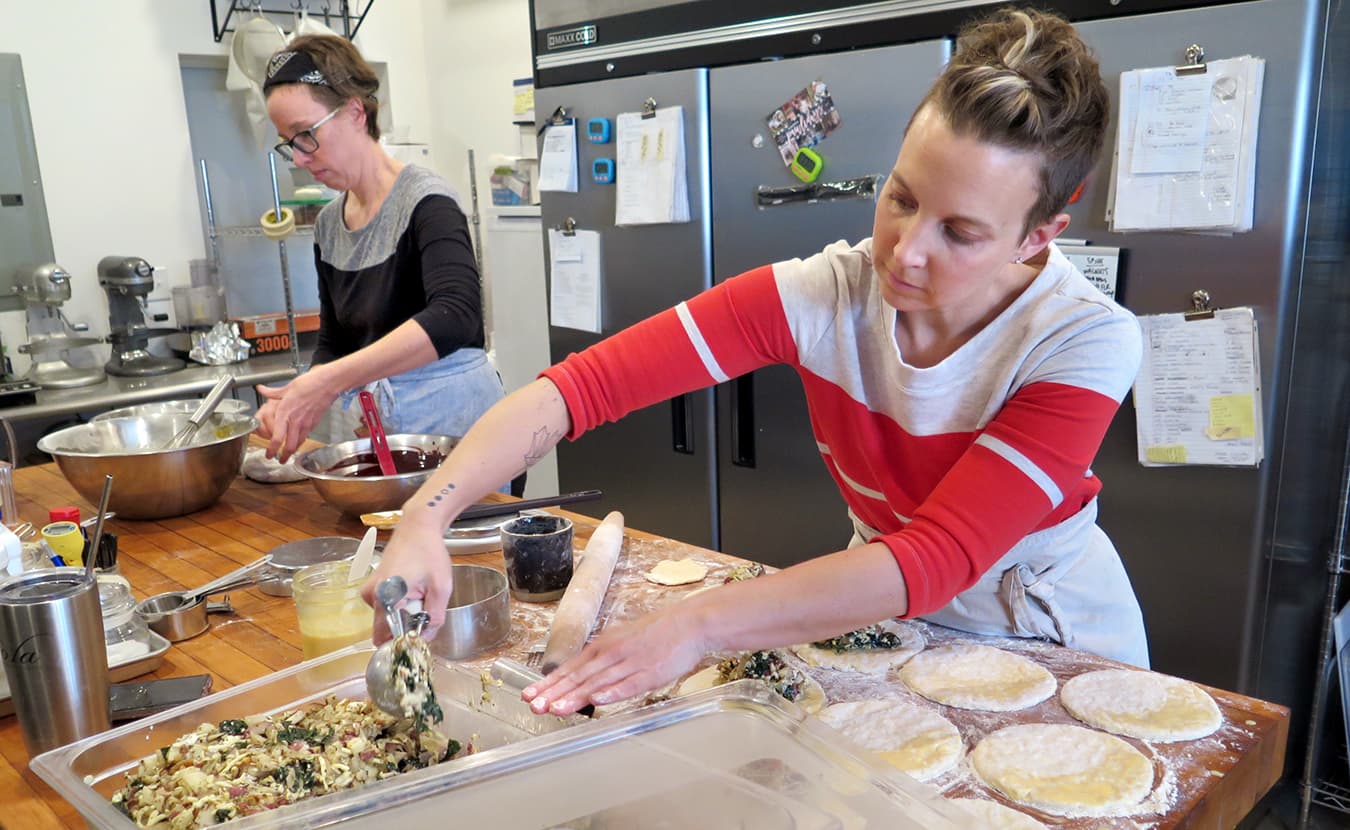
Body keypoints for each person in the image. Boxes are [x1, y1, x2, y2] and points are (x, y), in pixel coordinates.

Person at [367, 6, 1148, 716]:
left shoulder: (1081, 340)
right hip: (873, 610)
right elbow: (582, 387)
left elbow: (937, 557)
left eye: (960, 233)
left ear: (1036, 238)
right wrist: (426, 517)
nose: (905, 252)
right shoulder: (827, 294)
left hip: (1040, 629)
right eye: (902, 198)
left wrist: (698, 625)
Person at [255, 35, 504, 462]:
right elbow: (335, 339)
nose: (299, 158)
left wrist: (329, 382)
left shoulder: (426, 201)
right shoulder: (329, 224)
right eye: (288, 142)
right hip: (389, 434)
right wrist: (299, 397)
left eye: (305, 134)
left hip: (460, 430)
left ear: (355, 112)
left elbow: (456, 315)